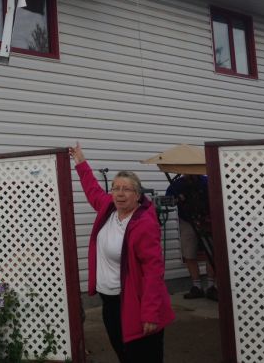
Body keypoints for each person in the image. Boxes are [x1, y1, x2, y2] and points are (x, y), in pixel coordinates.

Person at [70, 142, 174, 363]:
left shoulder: (144, 224)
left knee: (143, 357)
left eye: (126, 189)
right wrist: (81, 162)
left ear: (137, 195)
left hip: (134, 303)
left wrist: (150, 313)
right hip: (109, 302)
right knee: (124, 355)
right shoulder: (109, 208)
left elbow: (153, 272)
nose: (119, 193)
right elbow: (92, 190)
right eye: (116, 188)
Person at [166, 174, 217, 301]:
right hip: (187, 220)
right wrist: (177, 200)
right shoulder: (176, 185)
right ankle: (197, 286)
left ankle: (211, 286)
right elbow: (169, 201)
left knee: (211, 252)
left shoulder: (207, 181)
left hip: (206, 219)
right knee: (189, 253)